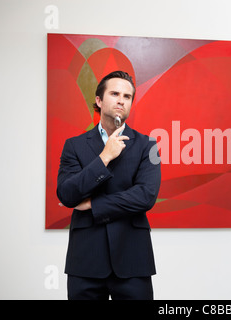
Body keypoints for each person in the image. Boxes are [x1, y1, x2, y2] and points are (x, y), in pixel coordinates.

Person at [57, 71, 161, 300]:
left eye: (127, 96)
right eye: (114, 93)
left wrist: (94, 204)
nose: (121, 100)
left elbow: (146, 196)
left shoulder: (149, 145)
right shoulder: (73, 146)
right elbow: (67, 194)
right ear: (99, 100)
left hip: (133, 259)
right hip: (85, 260)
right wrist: (104, 157)